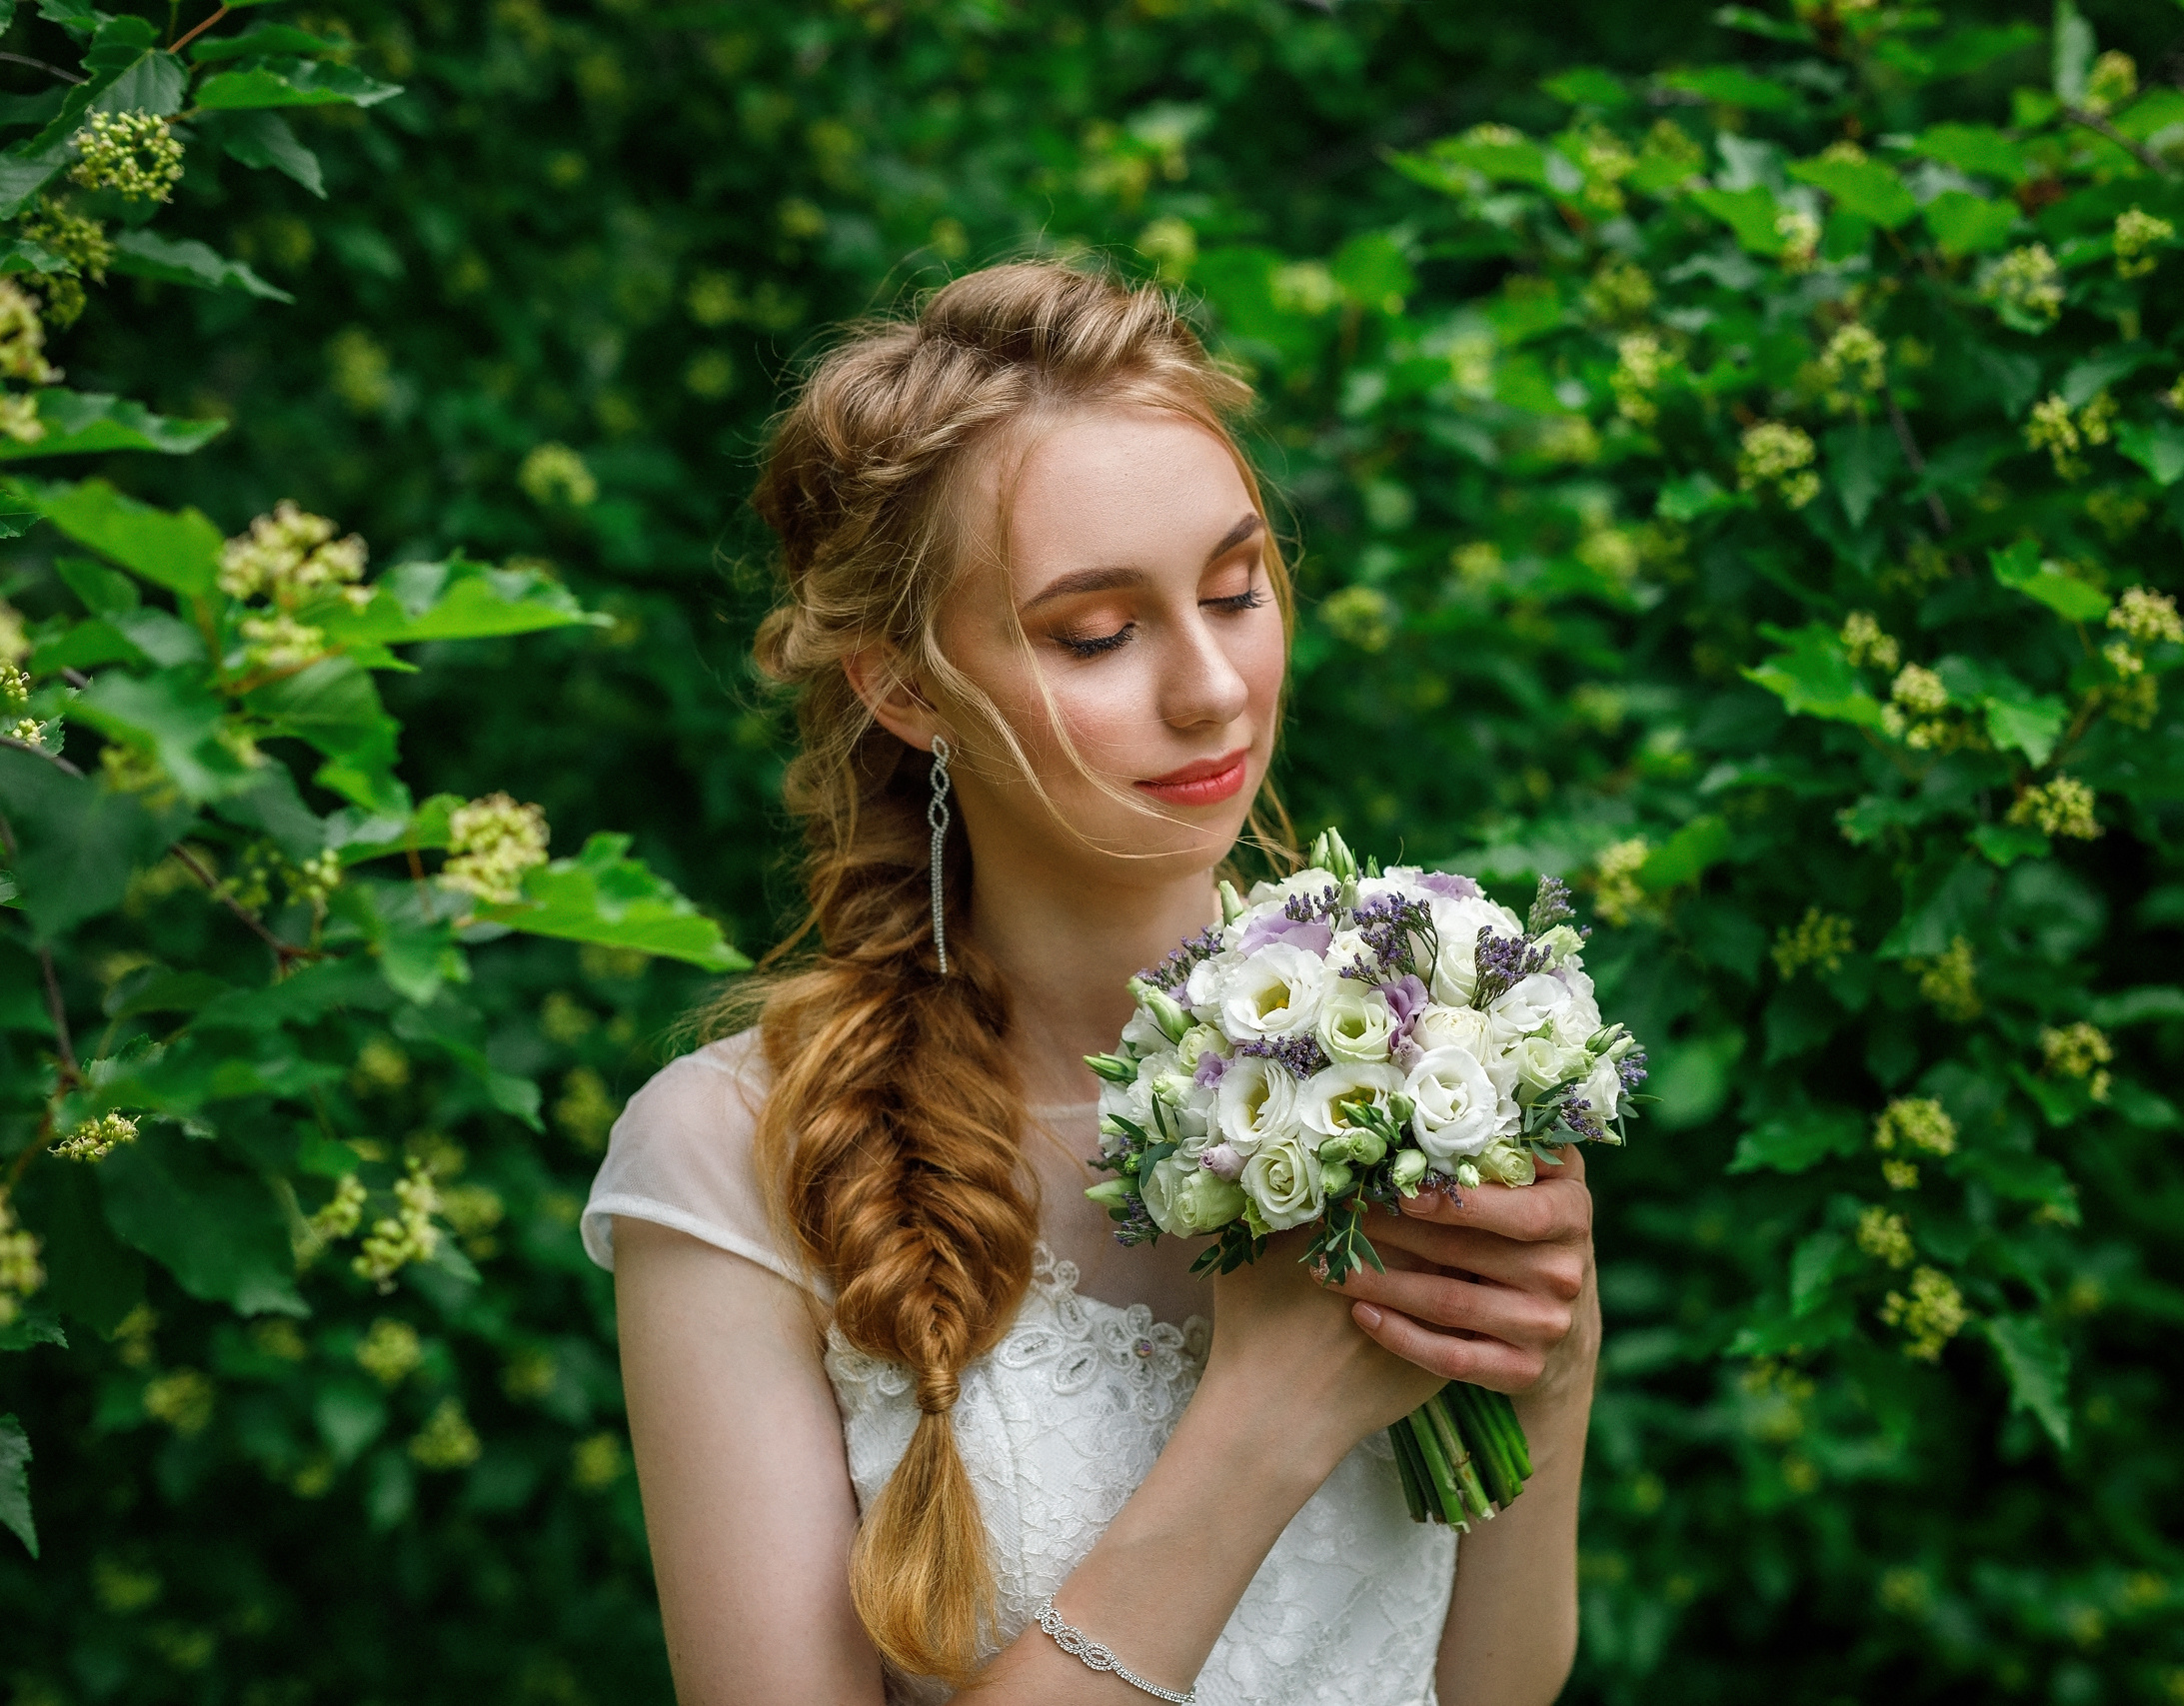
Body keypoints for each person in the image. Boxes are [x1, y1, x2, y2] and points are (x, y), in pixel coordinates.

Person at [584, 261, 1599, 1706]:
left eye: (1239, 590)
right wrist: (1260, 1426)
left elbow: (1491, 1684)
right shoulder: (733, 1160)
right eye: (1097, 634)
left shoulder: (1431, 1043)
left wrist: (1551, 1367)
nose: (1213, 688)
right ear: (908, 689)